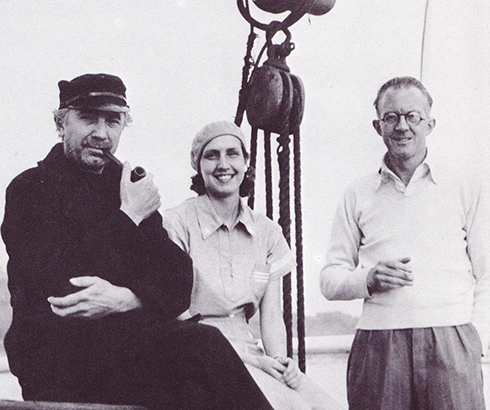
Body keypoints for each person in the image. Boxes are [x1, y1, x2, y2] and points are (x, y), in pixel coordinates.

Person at [1, 74, 274, 410]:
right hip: (57, 360)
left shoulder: (126, 184)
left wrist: (126, 298)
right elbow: (62, 284)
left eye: (113, 121)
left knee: (202, 369)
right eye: (88, 118)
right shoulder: (30, 189)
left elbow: (177, 282)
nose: (101, 133)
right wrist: (128, 215)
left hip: (124, 354)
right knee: (202, 346)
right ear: (61, 124)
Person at [320, 76, 490, 410]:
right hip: (378, 344)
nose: (402, 127)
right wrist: (368, 279)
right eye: (391, 117)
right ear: (377, 125)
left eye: (412, 116)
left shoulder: (463, 184)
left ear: (430, 123)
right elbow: (329, 277)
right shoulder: (358, 193)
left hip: (452, 339)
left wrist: (476, 339)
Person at [163, 121, 343, 410]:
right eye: (212, 155)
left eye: (232, 153)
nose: (223, 164)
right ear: (198, 165)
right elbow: (173, 311)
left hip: (250, 351)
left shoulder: (268, 232)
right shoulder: (176, 224)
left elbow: (271, 317)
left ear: (246, 161)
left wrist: (280, 362)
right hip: (194, 351)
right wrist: (250, 361)